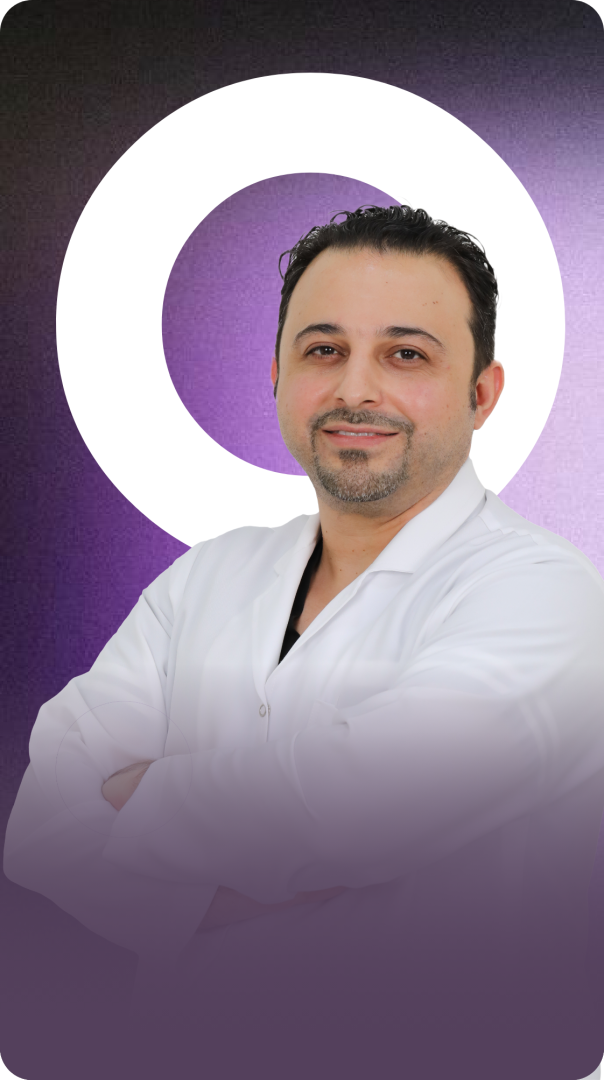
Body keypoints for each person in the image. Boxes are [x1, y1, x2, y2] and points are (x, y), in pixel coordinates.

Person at [4, 205, 604, 1080]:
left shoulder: (545, 593)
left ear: (482, 394)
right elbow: (40, 818)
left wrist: (138, 798)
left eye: (406, 355)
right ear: (277, 377)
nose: (356, 389)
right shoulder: (206, 578)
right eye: (323, 350)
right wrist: (267, 869)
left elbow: (360, 809)